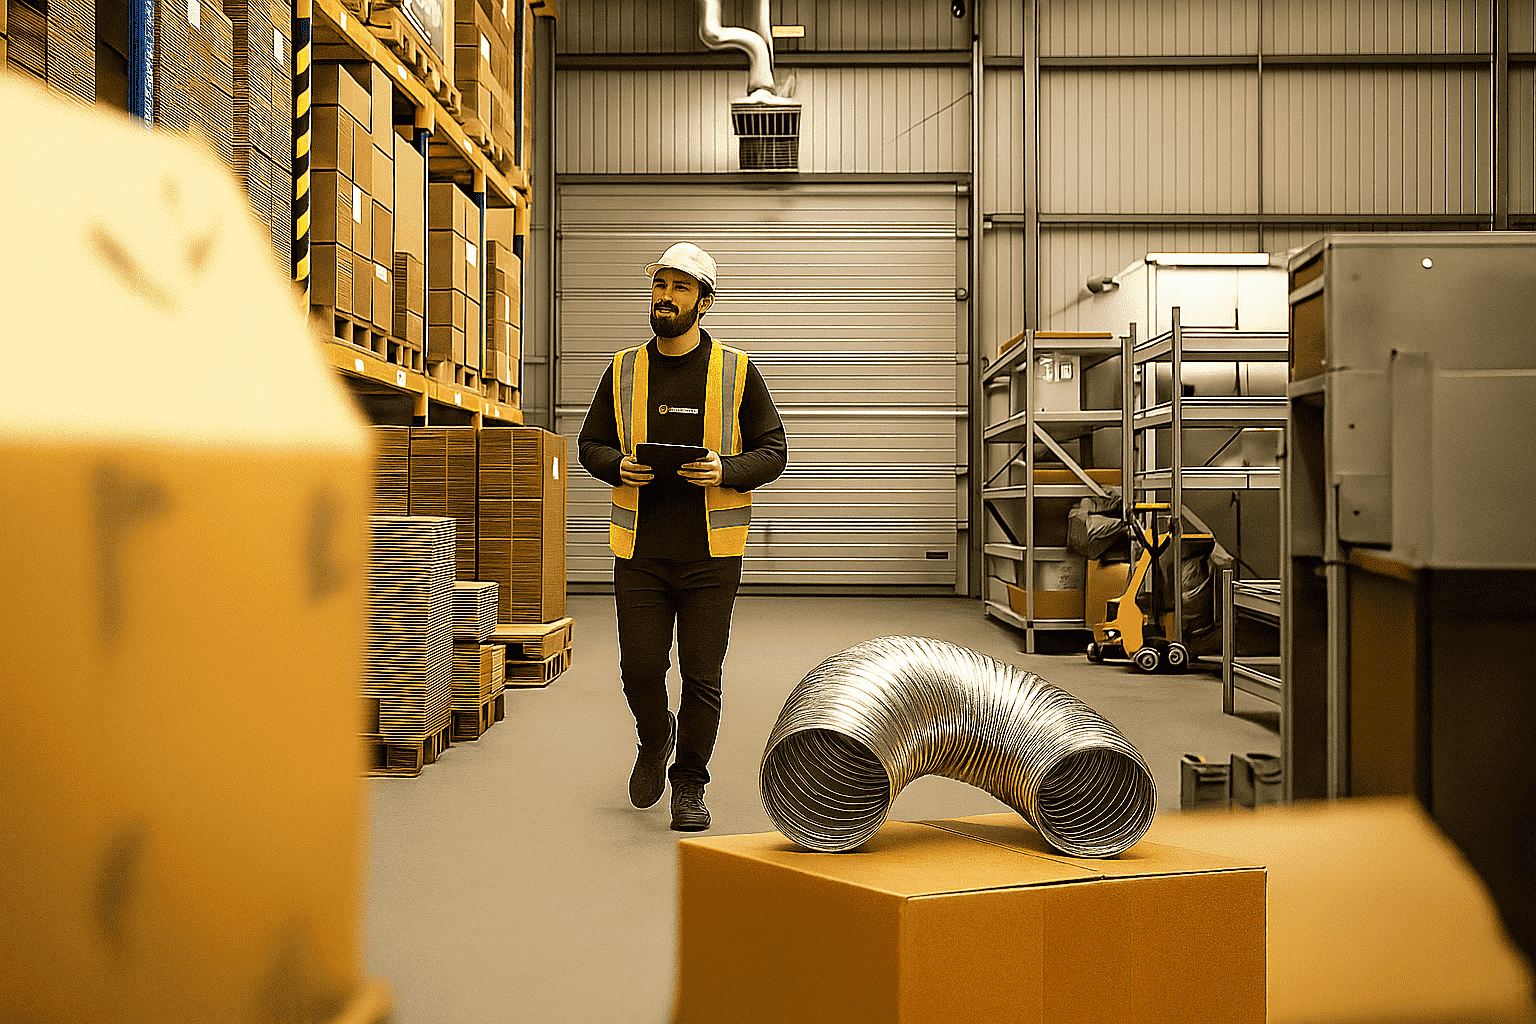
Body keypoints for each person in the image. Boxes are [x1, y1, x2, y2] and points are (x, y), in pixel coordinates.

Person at [578, 242, 787, 832]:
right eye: (660, 285)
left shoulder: (738, 372)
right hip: (640, 551)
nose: (665, 297)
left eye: (679, 288)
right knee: (640, 669)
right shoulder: (622, 369)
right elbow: (589, 443)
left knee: (701, 676)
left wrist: (727, 469)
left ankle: (690, 785)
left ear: (704, 300)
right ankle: (655, 737)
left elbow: (774, 450)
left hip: (709, 555)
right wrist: (614, 466)